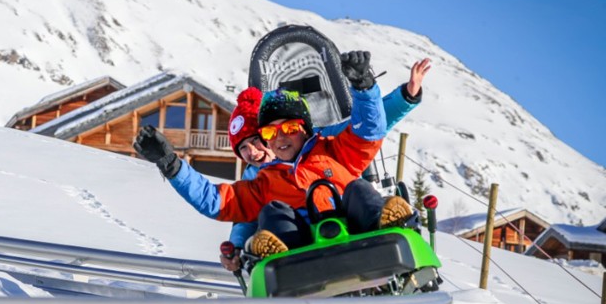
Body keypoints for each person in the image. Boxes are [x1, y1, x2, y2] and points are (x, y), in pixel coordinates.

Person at [134, 51, 422, 260]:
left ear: (306, 129)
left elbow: (368, 129)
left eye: (289, 128)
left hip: (354, 228)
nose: (280, 138)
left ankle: (385, 225)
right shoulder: (263, 181)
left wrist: (365, 88)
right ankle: (278, 252)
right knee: (272, 210)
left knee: (358, 188)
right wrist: (171, 166)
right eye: (271, 133)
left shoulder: (333, 149)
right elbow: (216, 201)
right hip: (302, 246)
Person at [218, 57, 431, 270]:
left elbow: (364, 125)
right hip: (297, 238)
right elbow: (244, 217)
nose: (252, 152)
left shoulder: (317, 144)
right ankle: (284, 267)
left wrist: (406, 96)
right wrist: (236, 246)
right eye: (242, 148)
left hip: (342, 221)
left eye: (256, 139)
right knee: (270, 213)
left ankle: (386, 231)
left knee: (357, 189)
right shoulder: (253, 176)